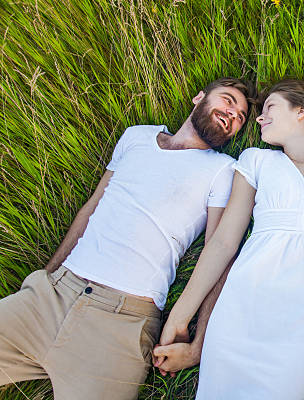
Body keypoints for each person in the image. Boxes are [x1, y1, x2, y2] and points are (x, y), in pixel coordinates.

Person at [0, 77, 252, 400]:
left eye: (241, 117)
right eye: (228, 100)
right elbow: (92, 207)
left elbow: (218, 257)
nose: (232, 115)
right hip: (51, 297)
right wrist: (46, 277)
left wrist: (197, 346)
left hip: (121, 326)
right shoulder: (136, 137)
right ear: (199, 98)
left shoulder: (223, 171)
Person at [154, 79, 304, 399]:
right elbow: (224, 243)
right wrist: (179, 317)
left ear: (301, 112)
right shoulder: (256, 161)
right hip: (240, 313)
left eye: (270, 108)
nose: (259, 117)